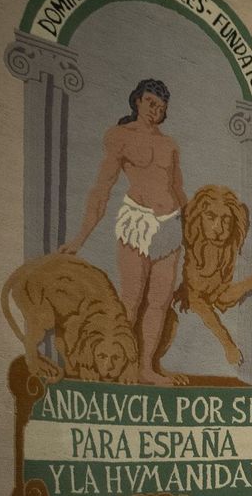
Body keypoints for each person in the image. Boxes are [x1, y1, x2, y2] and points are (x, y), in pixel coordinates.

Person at [61, 78, 187, 386]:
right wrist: (80, 238)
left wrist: (189, 238)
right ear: (137, 101)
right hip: (137, 223)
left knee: (159, 301)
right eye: (150, 103)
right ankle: (118, 366)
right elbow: (101, 189)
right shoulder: (120, 136)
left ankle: (146, 368)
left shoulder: (169, 144)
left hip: (169, 225)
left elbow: (179, 191)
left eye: (160, 107)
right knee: (130, 299)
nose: (154, 110)